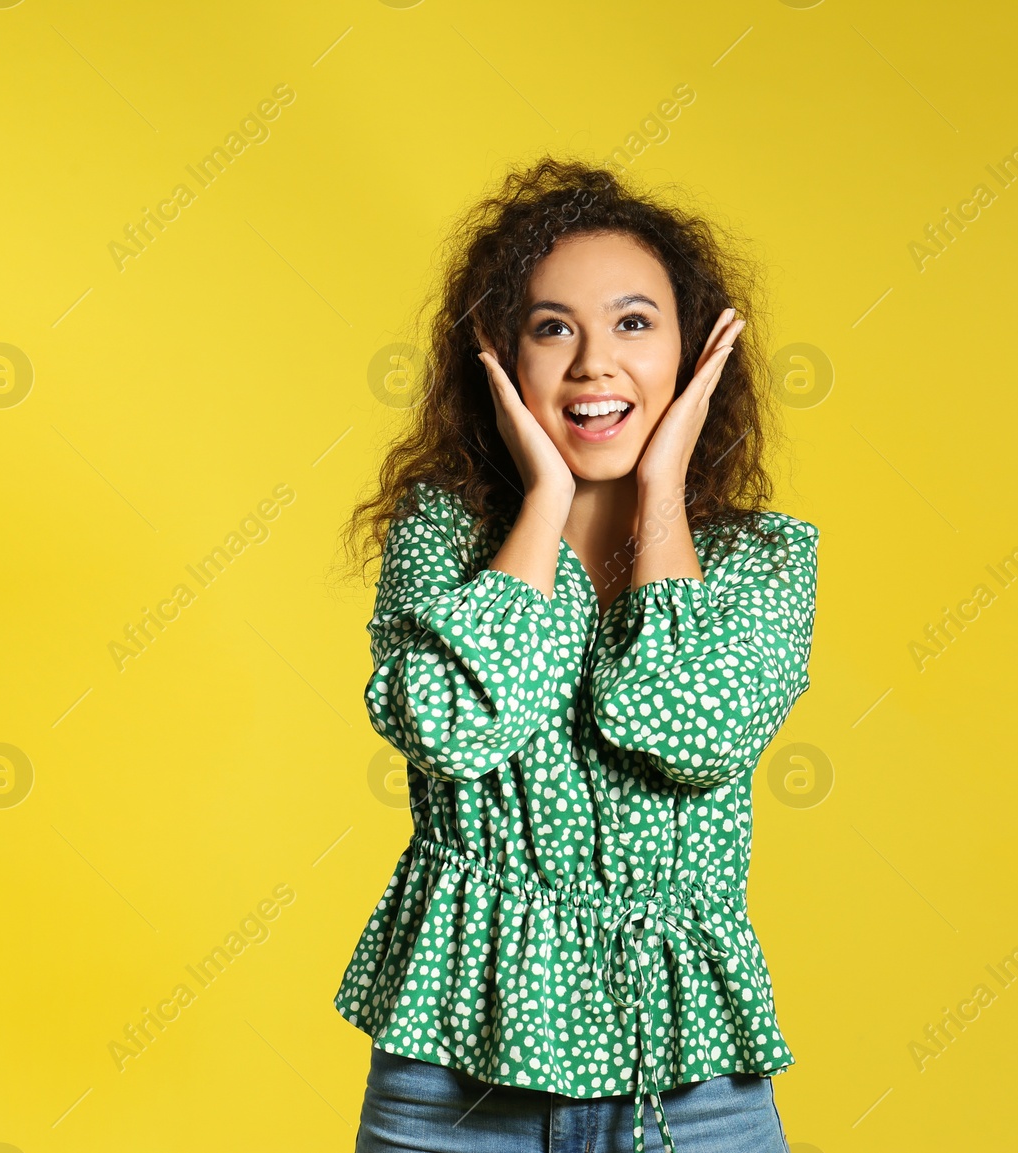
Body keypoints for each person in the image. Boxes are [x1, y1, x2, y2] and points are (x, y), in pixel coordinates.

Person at [335, 157, 819, 1153]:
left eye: (635, 323)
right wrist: (547, 503)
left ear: (693, 352)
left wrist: (662, 493)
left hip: (689, 1089)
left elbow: (692, 731)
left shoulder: (759, 561)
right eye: (553, 327)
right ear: (501, 359)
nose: (595, 362)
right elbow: (448, 726)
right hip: (454, 1079)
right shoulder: (444, 533)